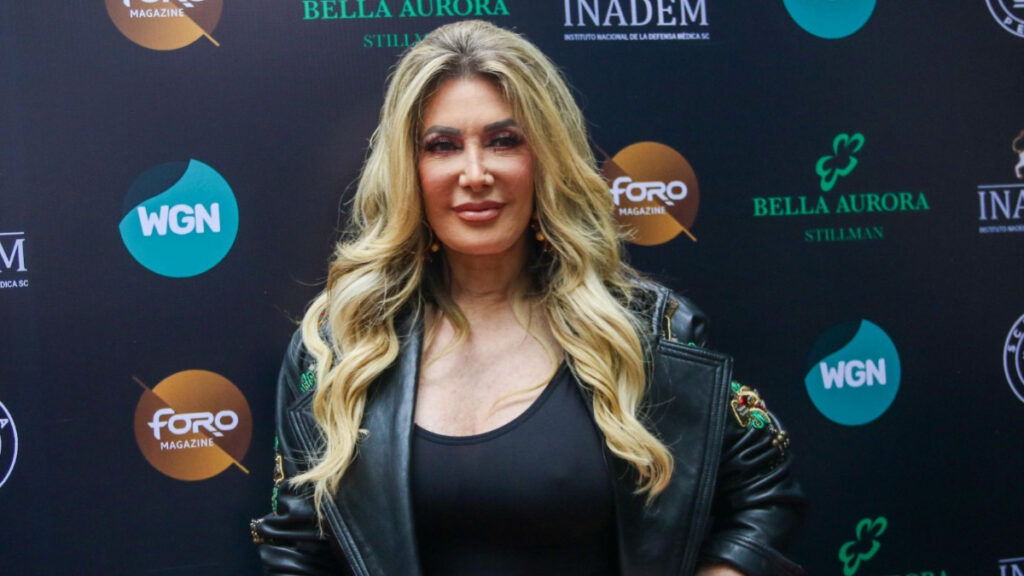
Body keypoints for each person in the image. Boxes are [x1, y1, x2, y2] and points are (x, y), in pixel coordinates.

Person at [252, 19, 805, 576]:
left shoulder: (647, 330)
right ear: (408, 169)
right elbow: (296, 550)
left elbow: (764, 491)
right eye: (443, 146)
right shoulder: (339, 348)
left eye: (503, 141)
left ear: (545, 157)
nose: (475, 173)